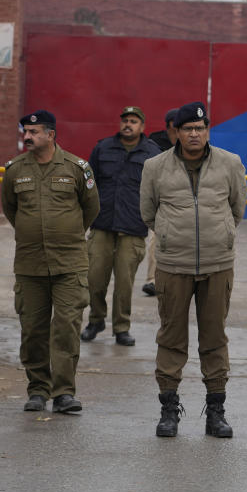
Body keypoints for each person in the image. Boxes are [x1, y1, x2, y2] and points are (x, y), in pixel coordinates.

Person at [140, 101, 247, 438]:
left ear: (208, 130)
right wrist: (172, 235)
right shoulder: (155, 167)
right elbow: (148, 212)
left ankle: (216, 412)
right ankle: (168, 411)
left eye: (200, 128)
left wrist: (222, 235)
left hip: (218, 265)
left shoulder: (230, 163)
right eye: (188, 129)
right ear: (177, 132)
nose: (195, 134)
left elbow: (237, 208)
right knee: (171, 337)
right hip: (173, 265)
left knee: (214, 337)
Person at [1, 110, 99, 414]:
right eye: (25, 132)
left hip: (69, 263)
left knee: (66, 328)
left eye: (34, 131)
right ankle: (38, 390)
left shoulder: (77, 168)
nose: (27, 137)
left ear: (51, 134)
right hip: (30, 265)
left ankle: (64, 392)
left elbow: (91, 208)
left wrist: (66, 233)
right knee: (32, 330)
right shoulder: (15, 170)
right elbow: (10, 209)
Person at [80, 106, 161, 346]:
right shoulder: (103, 147)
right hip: (102, 224)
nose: (128, 124)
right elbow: (88, 183)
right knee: (94, 279)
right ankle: (95, 321)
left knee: (125, 283)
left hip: (132, 227)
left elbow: (159, 189)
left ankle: (121, 328)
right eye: (125, 120)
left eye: (134, 121)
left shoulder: (152, 152)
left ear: (142, 127)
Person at [141, 108, 179, 296]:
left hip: (184, 200)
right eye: (174, 127)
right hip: (162, 199)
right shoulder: (154, 142)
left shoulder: (191, 142)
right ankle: (153, 280)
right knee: (157, 239)